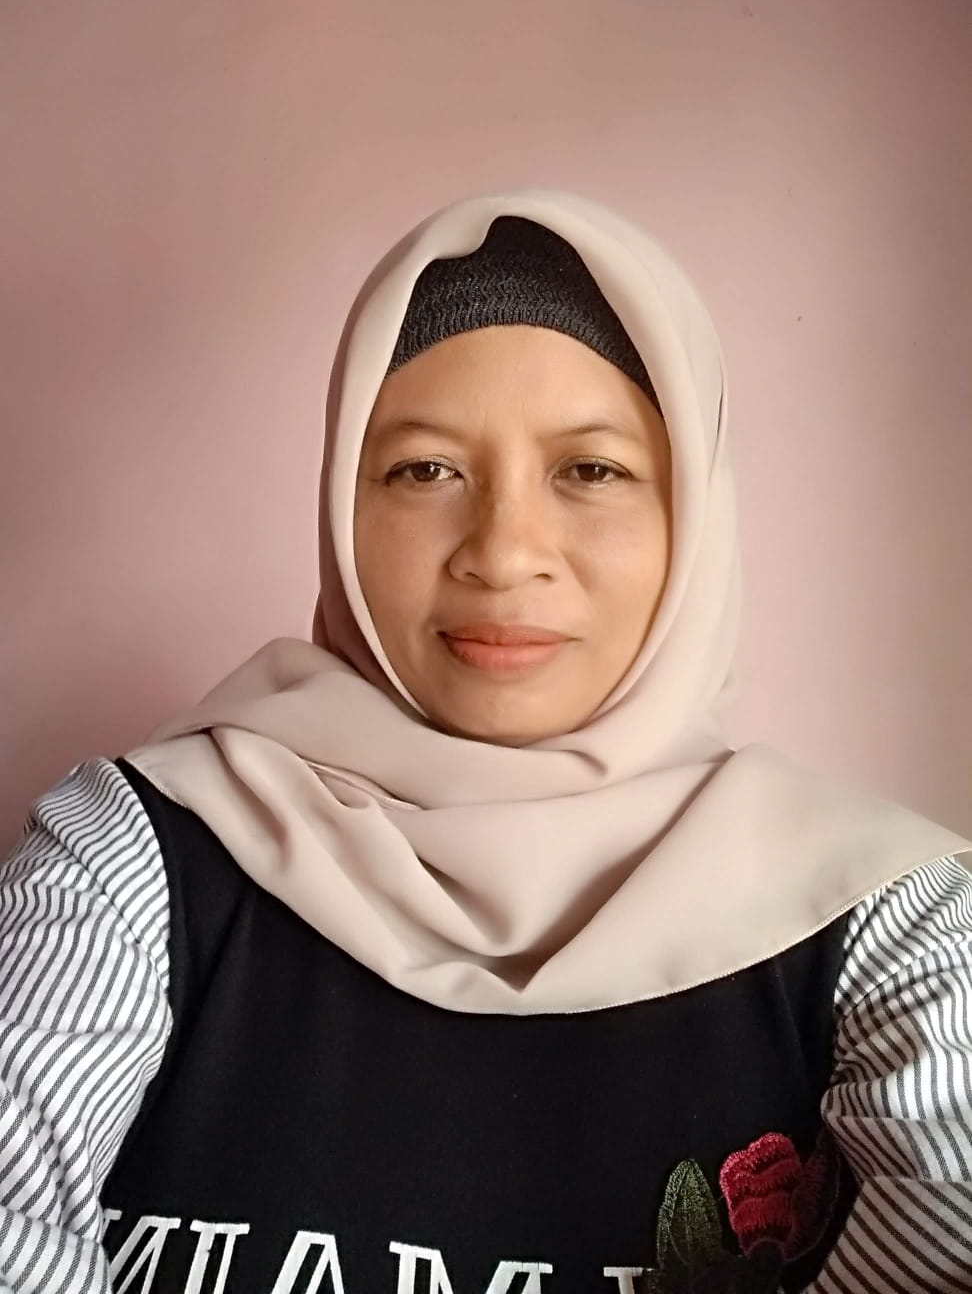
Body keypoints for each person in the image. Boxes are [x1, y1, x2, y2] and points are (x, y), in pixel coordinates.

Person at [1, 189, 970, 1294]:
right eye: (425, 470)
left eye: (591, 471)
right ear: (342, 504)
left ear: (695, 515)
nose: (504, 554)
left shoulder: (883, 916)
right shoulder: (133, 854)